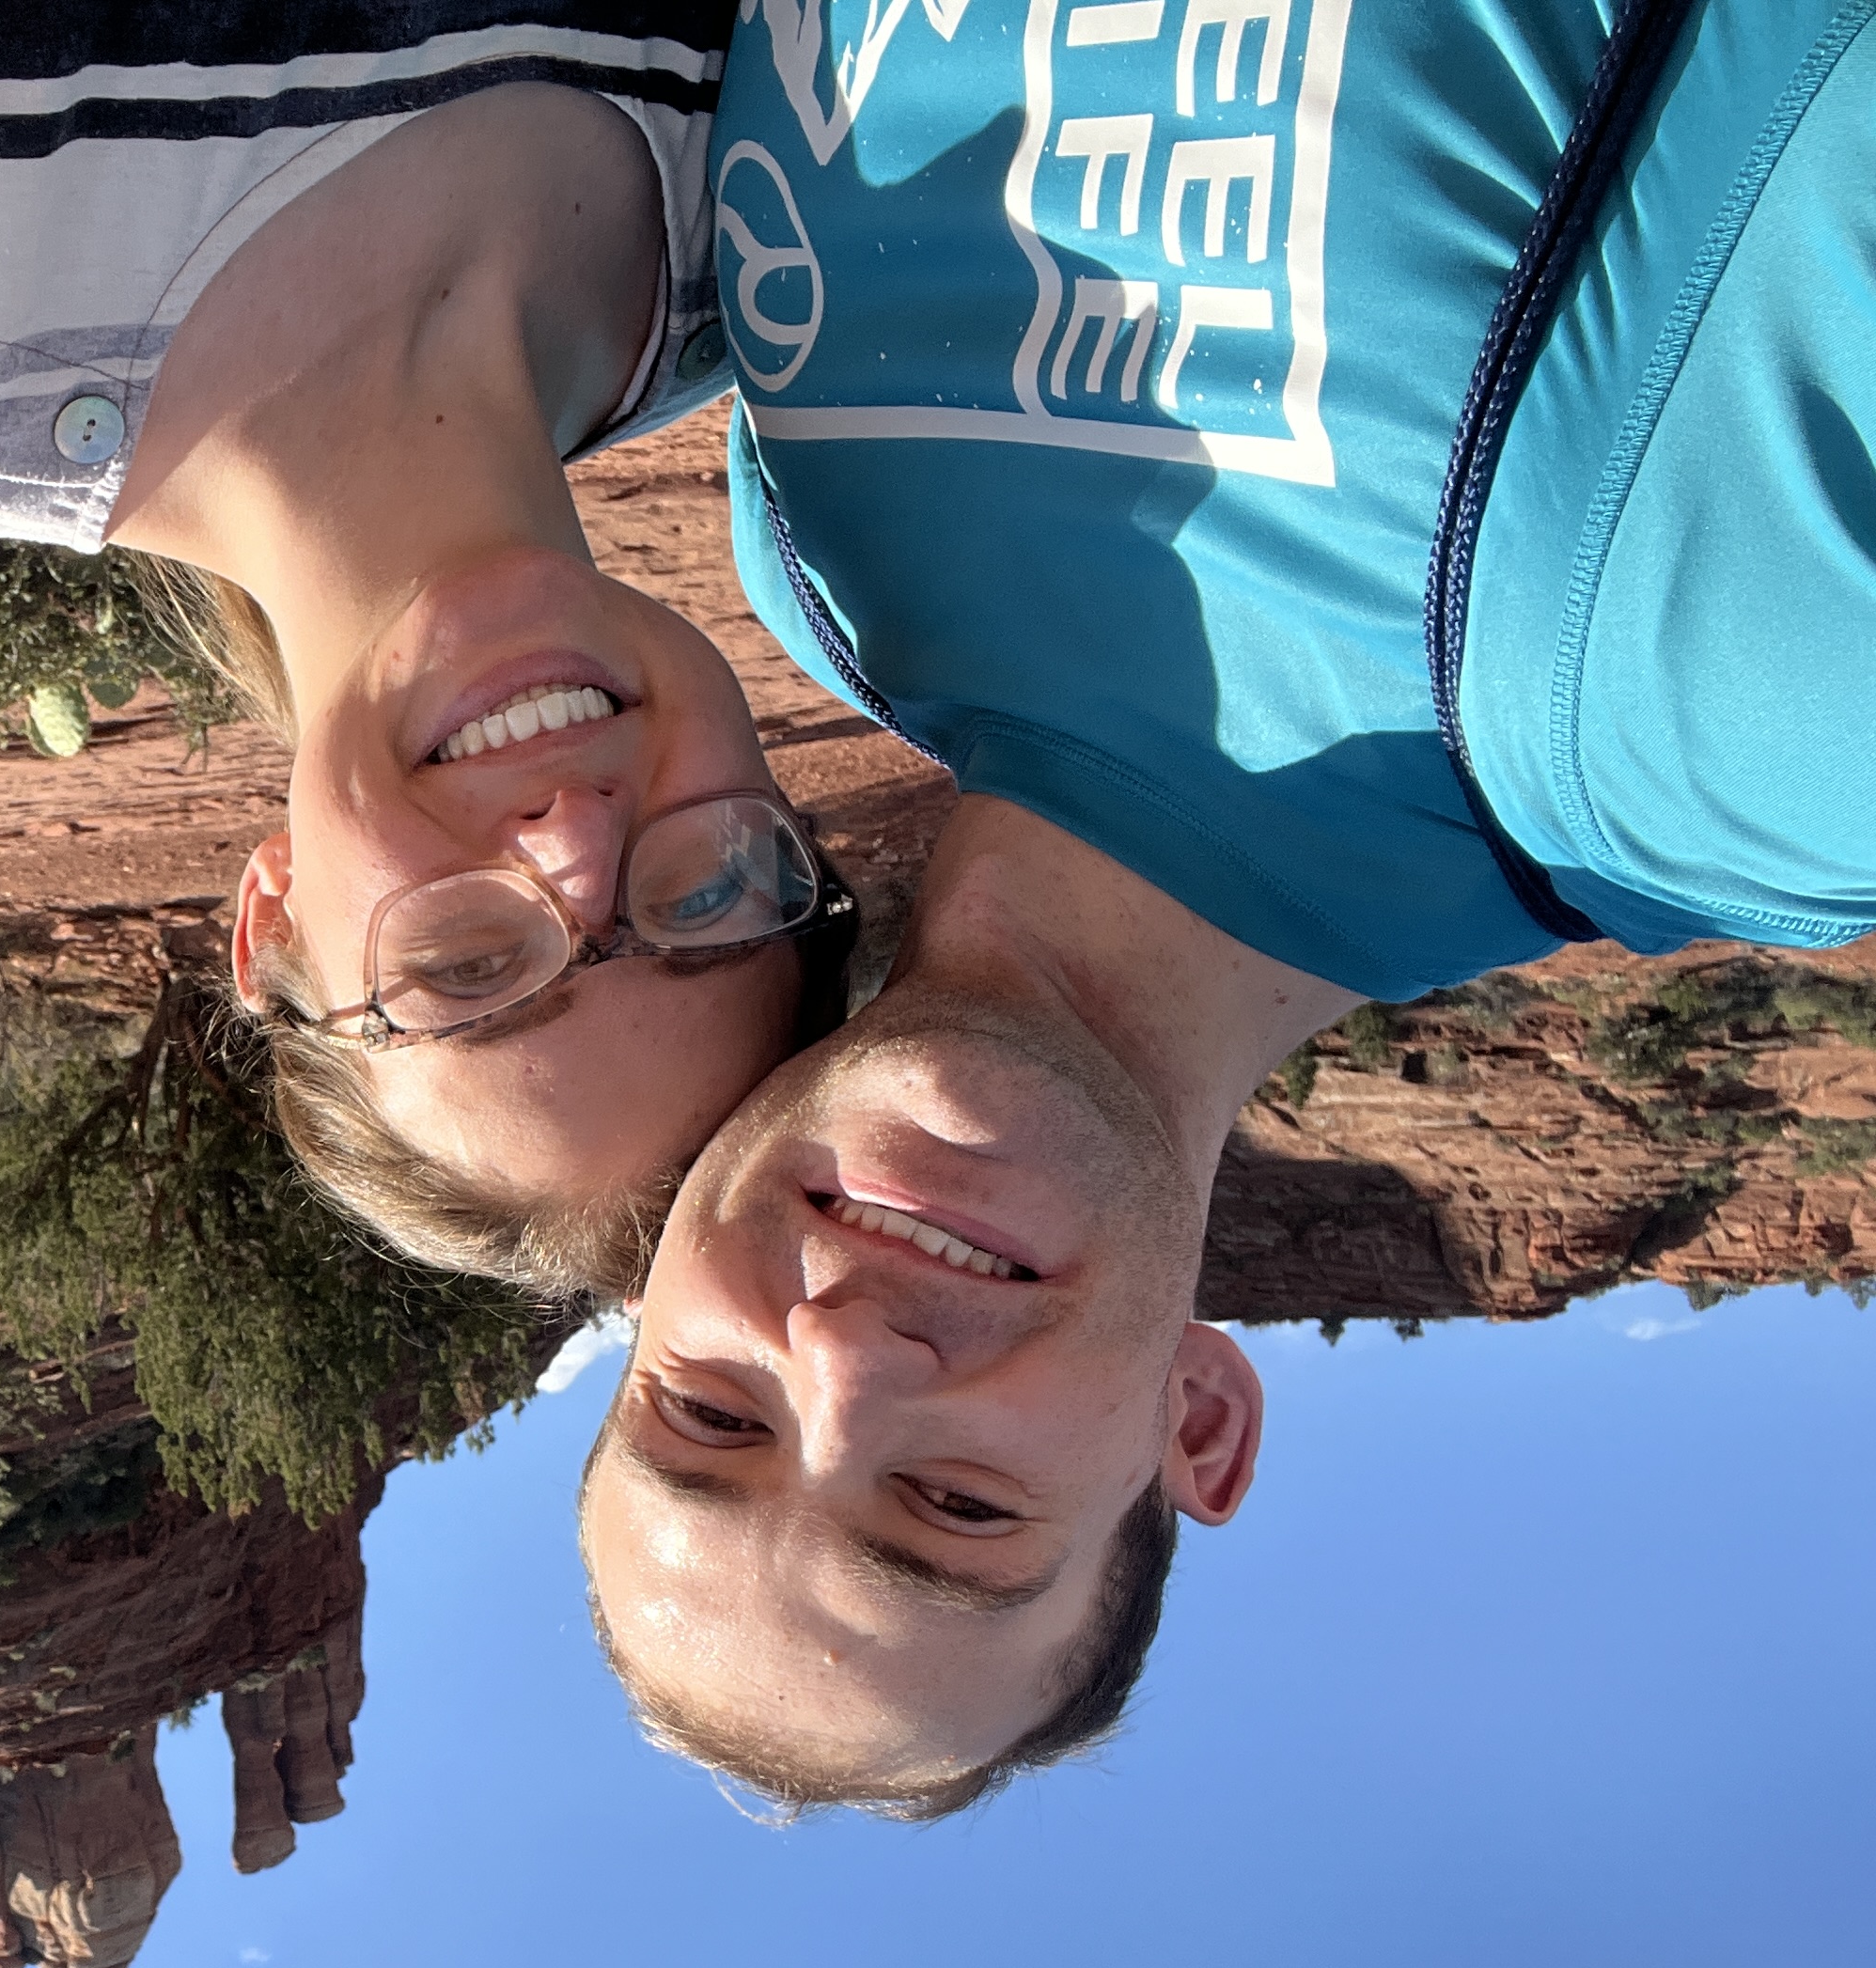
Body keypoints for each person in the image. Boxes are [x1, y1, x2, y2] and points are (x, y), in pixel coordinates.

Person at [581, 0, 1876, 1814]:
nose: (852, 1359)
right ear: (1197, 1424)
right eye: (958, 1506)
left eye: (709, 1416)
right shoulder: (1746, 717)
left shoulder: (813, 562)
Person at [0, 1, 859, 1290]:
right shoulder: (783, 217)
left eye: (467, 971)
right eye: (702, 905)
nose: (574, 844)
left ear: (273, 920)